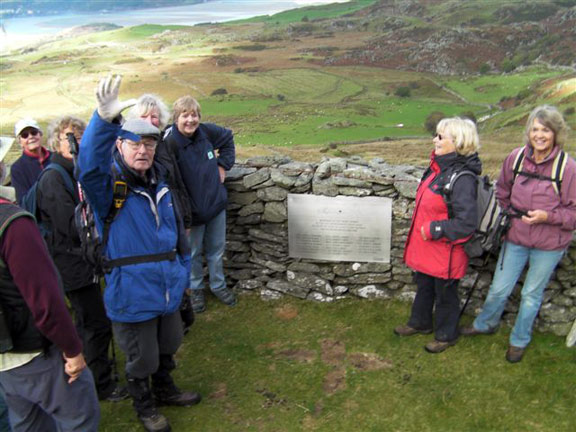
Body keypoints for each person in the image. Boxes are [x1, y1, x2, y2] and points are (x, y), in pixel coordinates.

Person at [78, 75, 201, 432]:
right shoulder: (108, 191)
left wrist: (181, 273)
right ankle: (145, 407)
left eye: (148, 143)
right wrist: (102, 121)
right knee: (141, 357)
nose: (143, 150)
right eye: (134, 143)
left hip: (166, 286)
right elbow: (88, 168)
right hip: (132, 292)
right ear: (119, 146)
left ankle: (165, 390)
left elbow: (175, 235)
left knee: (168, 344)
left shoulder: (159, 184)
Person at [461, 105, 576, 363]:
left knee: (531, 294)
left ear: (556, 133)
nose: (539, 135)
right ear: (528, 132)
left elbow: (573, 213)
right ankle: (484, 324)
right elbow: (502, 190)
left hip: (550, 244)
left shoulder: (567, 168)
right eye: (535, 129)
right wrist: (506, 215)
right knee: (499, 289)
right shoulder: (515, 158)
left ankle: (519, 340)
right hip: (515, 237)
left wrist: (548, 217)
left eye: (546, 130)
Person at [0, 168, 100, 431]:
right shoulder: (13, 223)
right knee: (79, 419)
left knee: (27, 424)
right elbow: (45, 301)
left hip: (7, 359)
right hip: (36, 352)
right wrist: (72, 350)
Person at [36, 115, 127, 402]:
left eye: (78, 135)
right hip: (72, 264)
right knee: (95, 323)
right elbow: (68, 225)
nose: (74, 141)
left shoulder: (74, 172)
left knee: (89, 320)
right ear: (55, 141)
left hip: (82, 259)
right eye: (68, 136)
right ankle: (100, 384)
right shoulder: (54, 177)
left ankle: (91, 367)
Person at [394, 117, 481, 353]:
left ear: (459, 142)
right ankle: (420, 322)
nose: (435, 140)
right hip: (428, 249)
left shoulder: (462, 178)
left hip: (446, 251)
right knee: (424, 286)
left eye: (441, 137)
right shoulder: (436, 169)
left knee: (445, 295)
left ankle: (446, 334)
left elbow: (466, 223)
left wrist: (435, 229)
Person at [126, 95, 195, 333]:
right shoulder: (131, 153)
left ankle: (176, 317)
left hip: (173, 216)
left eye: (155, 116)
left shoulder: (163, 145)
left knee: (176, 266)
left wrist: (185, 218)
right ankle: (159, 321)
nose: (150, 120)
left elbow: (177, 184)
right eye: (144, 116)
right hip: (150, 223)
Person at [164, 95, 236, 313]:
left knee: (216, 250)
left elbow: (228, 138)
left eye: (194, 115)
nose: (190, 120)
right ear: (176, 117)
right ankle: (196, 291)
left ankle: (218, 286)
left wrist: (222, 164)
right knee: (193, 254)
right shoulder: (169, 143)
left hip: (215, 205)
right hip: (191, 212)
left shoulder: (205, 132)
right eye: (185, 115)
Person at [10, 118, 51, 204]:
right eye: (25, 135)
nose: (30, 136)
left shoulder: (55, 157)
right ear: (20, 142)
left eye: (34, 132)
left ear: (40, 134)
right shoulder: (17, 168)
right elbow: (23, 201)